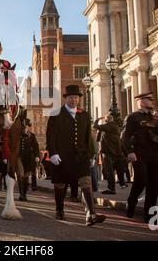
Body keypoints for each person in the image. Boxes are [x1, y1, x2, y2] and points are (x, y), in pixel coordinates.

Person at [46, 84, 106, 226]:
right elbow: (51, 136)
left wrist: (91, 156)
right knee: (60, 184)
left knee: (86, 182)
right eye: (71, 97)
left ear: (79, 99)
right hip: (61, 157)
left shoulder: (84, 115)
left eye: (76, 98)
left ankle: (91, 214)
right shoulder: (56, 114)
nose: (74, 100)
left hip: (81, 157)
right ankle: (59, 210)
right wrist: (53, 153)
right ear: (66, 98)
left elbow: (88, 138)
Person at [121, 92, 158, 222]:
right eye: (149, 100)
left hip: (155, 155)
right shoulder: (133, 117)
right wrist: (129, 152)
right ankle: (131, 202)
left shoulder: (156, 118)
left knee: (154, 185)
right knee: (141, 181)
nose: (152, 102)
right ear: (141, 101)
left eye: (152, 99)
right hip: (139, 155)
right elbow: (125, 136)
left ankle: (149, 214)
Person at [93, 114, 126, 195]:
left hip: (109, 153)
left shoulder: (109, 126)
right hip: (116, 152)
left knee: (109, 171)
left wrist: (98, 119)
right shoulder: (113, 127)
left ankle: (111, 189)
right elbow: (98, 139)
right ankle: (121, 183)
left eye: (105, 119)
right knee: (118, 170)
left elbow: (95, 125)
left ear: (107, 120)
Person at [17, 118, 40, 201]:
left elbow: (36, 147)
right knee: (20, 175)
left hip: (28, 158)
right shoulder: (17, 135)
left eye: (26, 127)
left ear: (28, 127)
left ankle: (24, 194)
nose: (24, 129)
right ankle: (21, 194)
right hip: (19, 157)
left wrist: (37, 156)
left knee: (26, 176)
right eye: (23, 127)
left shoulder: (32, 136)